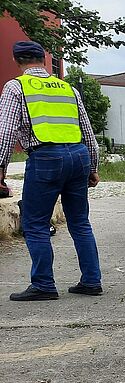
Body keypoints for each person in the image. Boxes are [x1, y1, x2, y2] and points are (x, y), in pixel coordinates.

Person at [0, 41, 102, 301]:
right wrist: (93, 166)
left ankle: (44, 284)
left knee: (35, 223)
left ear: (17, 61)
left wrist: (0, 167)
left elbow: (6, 131)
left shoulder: (16, 87)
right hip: (78, 155)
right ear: (44, 61)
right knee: (79, 221)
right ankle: (91, 281)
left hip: (45, 157)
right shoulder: (67, 89)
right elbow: (87, 130)